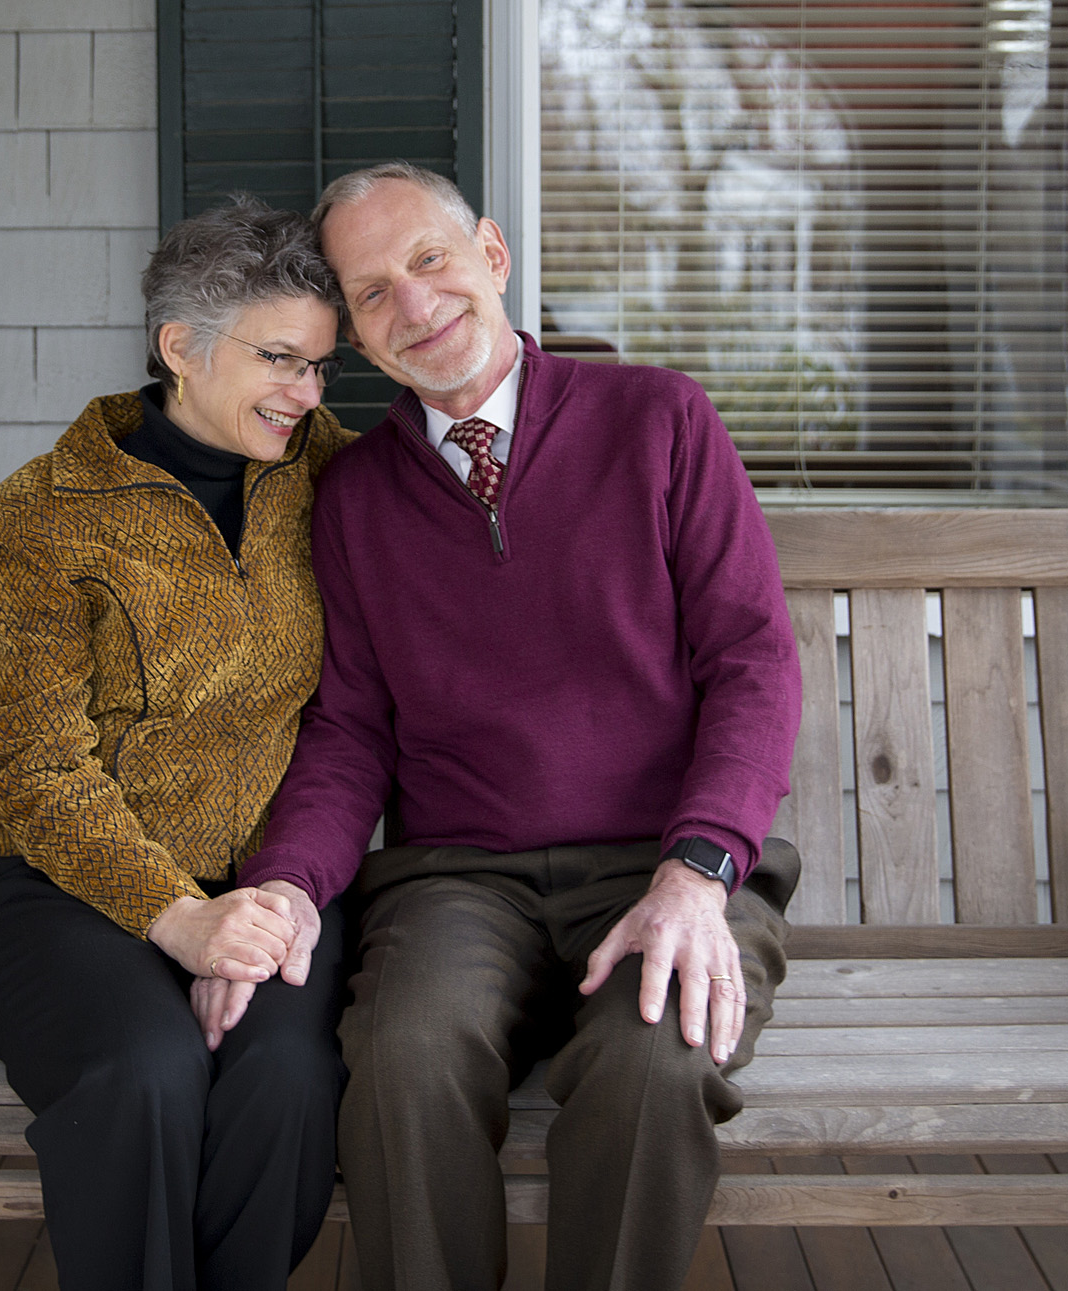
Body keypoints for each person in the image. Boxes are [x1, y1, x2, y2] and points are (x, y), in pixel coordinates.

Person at [210, 161, 804, 1291]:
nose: (414, 304)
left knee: (656, 1068)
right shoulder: (354, 498)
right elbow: (349, 731)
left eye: (428, 260)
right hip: (457, 878)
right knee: (400, 1054)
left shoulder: (659, 421)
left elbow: (753, 663)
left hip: (662, 861)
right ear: (351, 333)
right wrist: (287, 882)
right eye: (371, 291)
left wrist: (698, 870)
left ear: (491, 252)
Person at [0, 195, 357, 1291]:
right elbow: (36, 768)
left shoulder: (342, 478)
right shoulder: (39, 516)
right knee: (144, 1070)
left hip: (277, 885)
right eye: (282, 359)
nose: (308, 394)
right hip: (63, 893)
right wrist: (177, 916)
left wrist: (261, 903)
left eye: (323, 367)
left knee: (285, 1076)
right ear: (181, 346)